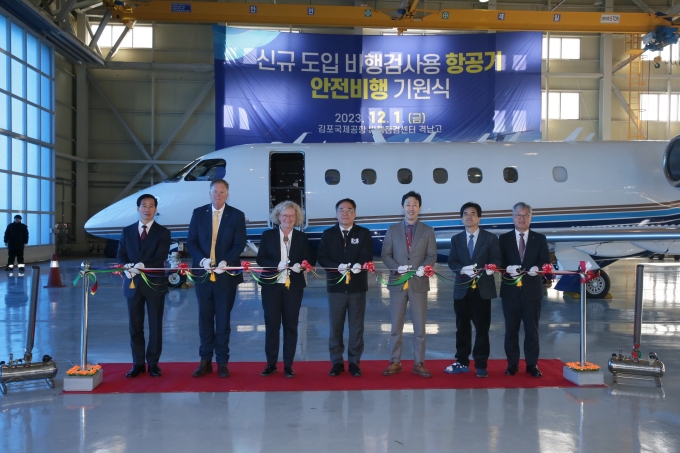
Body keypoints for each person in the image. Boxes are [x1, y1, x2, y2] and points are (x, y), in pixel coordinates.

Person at [187, 179, 247, 378]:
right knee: (205, 319)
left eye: (222, 192)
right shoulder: (198, 213)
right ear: (209, 193)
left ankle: (222, 361)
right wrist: (202, 260)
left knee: (222, 321)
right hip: (203, 275)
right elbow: (191, 241)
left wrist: (226, 261)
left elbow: (239, 243)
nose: (218, 195)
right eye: (215, 191)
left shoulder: (236, 215)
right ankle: (205, 361)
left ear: (227, 194)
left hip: (225, 276)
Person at [381, 191, 437, 378]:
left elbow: (431, 255)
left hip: (419, 283)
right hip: (398, 282)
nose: (411, 208)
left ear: (419, 208)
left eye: (414, 204)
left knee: (419, 327)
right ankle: (394, 361)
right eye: (407, 204)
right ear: (403, 207)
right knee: (396, 326)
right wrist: (398, 268)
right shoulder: (392, 230)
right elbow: (386, 255)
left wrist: (423, 267)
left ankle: (419, 363)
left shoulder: (428, 231)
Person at [116, 194, 171, 378]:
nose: (147, 209)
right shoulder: (127, 231)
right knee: (135, 326)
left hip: (154, 285)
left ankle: (153, 363)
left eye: (151, 205)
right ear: (137, 208)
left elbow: (160, 257)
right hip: (133, 285)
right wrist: (127, 267)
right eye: (144, 205)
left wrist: (142, 266)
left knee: (155, 325)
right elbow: (121, 256)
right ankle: (137, 363)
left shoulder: (163, 232)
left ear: (156, 209)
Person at [317, 198, 374, 377]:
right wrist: (336, 266)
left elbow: (367, 255)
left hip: (357, 288)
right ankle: (337, 362)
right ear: (336, 213)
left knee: (357, 327)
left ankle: (355, 363)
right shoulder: (328, 234)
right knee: (336, 327)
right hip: (336, 288)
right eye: (341, 209)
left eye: (349, 210)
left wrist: (359, 264)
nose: (345, 213)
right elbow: (322, 257)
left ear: (354, 213)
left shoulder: (363, 233)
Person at [445, 202, 501, 378]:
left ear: (479, 217)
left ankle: (481, 364)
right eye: (465, 214)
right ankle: (461, 361)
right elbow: (452, 262)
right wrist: (462, 269)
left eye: (473, 213)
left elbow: (496, 260)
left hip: (483, 290)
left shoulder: (490, 238)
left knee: (482, 328)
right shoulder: (456, 239)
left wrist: (491, 268)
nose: (469, 216)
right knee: (462, 327)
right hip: (462, 290)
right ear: (461, 218)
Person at [256, 201, 311, 378]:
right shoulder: (267, 235)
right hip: (271, 287)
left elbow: (309, 260)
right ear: (278, 217)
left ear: (297, 218)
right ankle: (271, 364)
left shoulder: (302, 238)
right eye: (284, 215)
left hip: (293, 288)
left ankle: (288, 365)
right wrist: (276, 265)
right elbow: (260, 259)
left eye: (291, 215)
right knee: (272, 326)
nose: (288, 218)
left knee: (291, 326)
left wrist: (302, 266)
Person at [499, 202, 553, 378]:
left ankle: (532, 365)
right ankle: (512, 364)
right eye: (518, 215)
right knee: (511, 331)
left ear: (530, 217)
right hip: (510, 292)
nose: (521, 218)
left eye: (525, 215)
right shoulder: (504, 239)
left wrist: (536, 268)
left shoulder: (540, 239)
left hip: (532, 292)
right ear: (512, 217)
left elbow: (545, 261)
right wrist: (508, 268)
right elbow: (499, 262)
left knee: (532, 330)